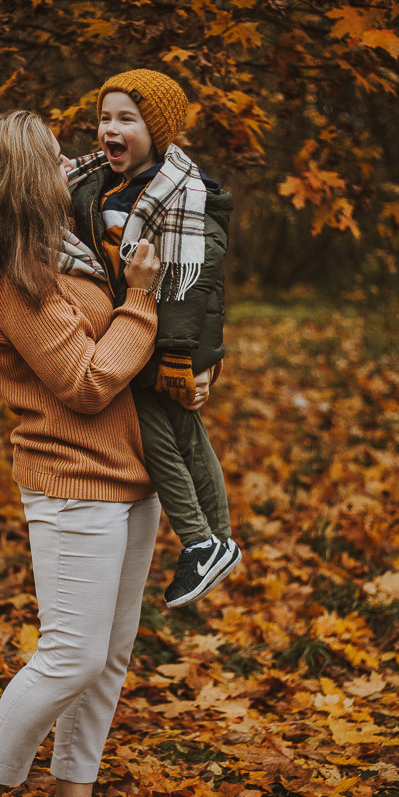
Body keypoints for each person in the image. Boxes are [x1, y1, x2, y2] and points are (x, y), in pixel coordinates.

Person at [0, 110, 162, 797]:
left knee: (106, 660)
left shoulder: (68, 252)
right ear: (24, 179)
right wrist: (141, 301)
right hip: (74, 486)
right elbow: (89, 380)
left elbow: (132, 363)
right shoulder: (15, 276)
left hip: (133, 480)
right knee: (68, 657)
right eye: (53, 153)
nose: (73, 157)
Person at [68, 68, 241, 608]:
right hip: (134, 325)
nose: (109, 129)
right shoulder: (101, 184)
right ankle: (214, 541)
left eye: (126, 119)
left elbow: (197, 286)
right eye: (104, 118)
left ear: (158, 130)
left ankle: (200, 540)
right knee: (176, 432)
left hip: (164, 334)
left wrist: (186, 359)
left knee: (161, 432)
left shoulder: (183, 196)